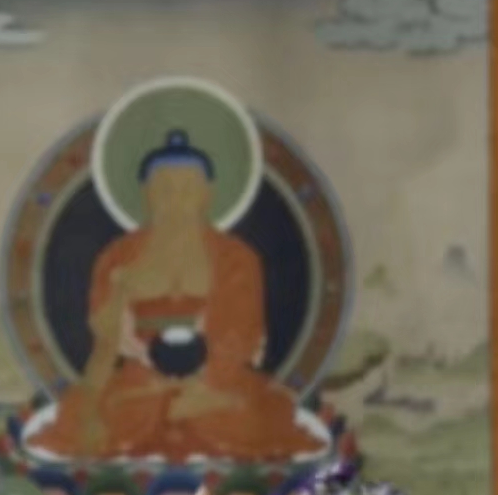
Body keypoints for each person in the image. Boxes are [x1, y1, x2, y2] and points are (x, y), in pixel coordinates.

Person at [29, 129, 321, 462]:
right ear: (146, 194)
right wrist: (121, 293)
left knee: (257, 413)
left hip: (217, 384)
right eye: (164, 190)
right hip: (141, 385)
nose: (176, 202)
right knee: (92, 414)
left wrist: (206, 386)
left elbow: (241, 334)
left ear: (206, 194)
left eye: (187, 190)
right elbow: (105, 344)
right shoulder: (118, 257)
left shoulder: (236, 258)